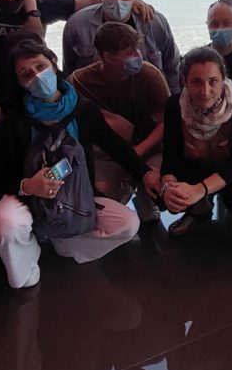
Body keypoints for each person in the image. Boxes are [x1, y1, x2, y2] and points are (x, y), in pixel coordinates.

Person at [0, 35, 158, 288]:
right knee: (6, 225)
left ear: (54, 63)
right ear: (19, 83)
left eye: (40, 66)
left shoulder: (83, 109)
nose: (37, 76)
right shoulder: (14, 122)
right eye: (26, 74)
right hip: (28, 197)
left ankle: (67, 240)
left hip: (74, 196)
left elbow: (116, 146)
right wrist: (27, 186)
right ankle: (26, 260)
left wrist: (145, 174)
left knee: (127, 223)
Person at [159, 47, 232, 257]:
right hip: (202, 161)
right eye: (196, 82)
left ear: (223, 79)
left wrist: (198, 190)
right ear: (184, 82)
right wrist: (168, 188)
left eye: (213, 81)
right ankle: (198, 209)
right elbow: (171, 156)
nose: (205, 91)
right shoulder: (175, 105)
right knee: (165, 195)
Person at [69, 22, 168, 224]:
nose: (138, 55)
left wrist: (135, 154)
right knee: (103, 200)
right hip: (107, 154)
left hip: (148, 147)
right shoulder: (80, 82)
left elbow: (165, 123)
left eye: (137, 48)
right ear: (108, 56)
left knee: (161, 189)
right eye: (129, 51)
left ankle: (145, 199)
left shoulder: (150, 76)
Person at [62, 0, 181, 92]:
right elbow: (69, 71)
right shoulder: (78, 25)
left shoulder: (154, 22)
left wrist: (174, 99)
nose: (118, 1)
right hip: (96, 98)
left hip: (147, 95)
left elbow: (172, 66)